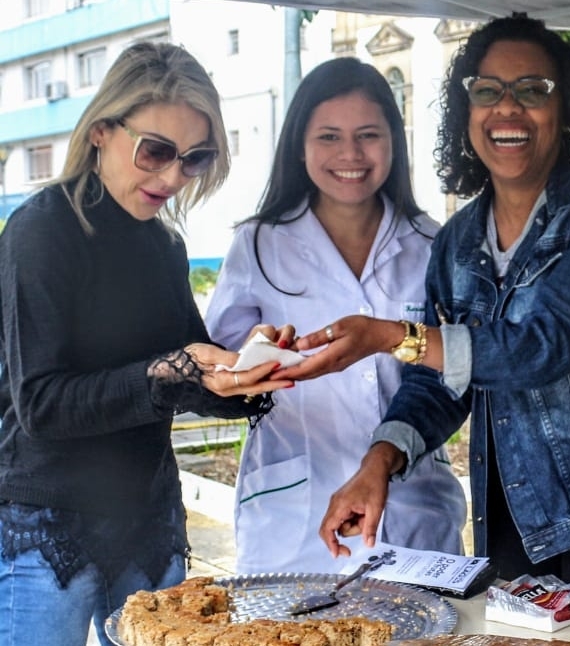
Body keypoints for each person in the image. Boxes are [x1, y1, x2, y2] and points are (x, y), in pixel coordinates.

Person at [287, 15, 570, 622]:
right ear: (467, 111)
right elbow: (439, 380)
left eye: (532, 89)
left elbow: (544, 346)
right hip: (514, 518)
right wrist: (379, 462)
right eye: (488, 90)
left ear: (565, 109)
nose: (508, 107)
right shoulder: (456, 240)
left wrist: (389, 336)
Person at [0, 43, 287, 646]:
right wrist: (171, 371)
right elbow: (41, 405)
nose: (173, 177)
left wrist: (249, 371)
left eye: (195, 158)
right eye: (156, 151)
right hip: (46, 524)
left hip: (148, 520)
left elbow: (190, 374)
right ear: (101, 131)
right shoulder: (41, 230)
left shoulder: (164, 245)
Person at [202, 58, 466, 575]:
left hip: (411, 510)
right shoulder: (259, 244)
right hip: (294, 516)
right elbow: (219, 372)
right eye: (329, 137)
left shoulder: (433, 244)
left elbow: (454, 372)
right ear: (300, 146)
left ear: (394, 142)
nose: (350, 154)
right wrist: (251, 362)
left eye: (368, 135)